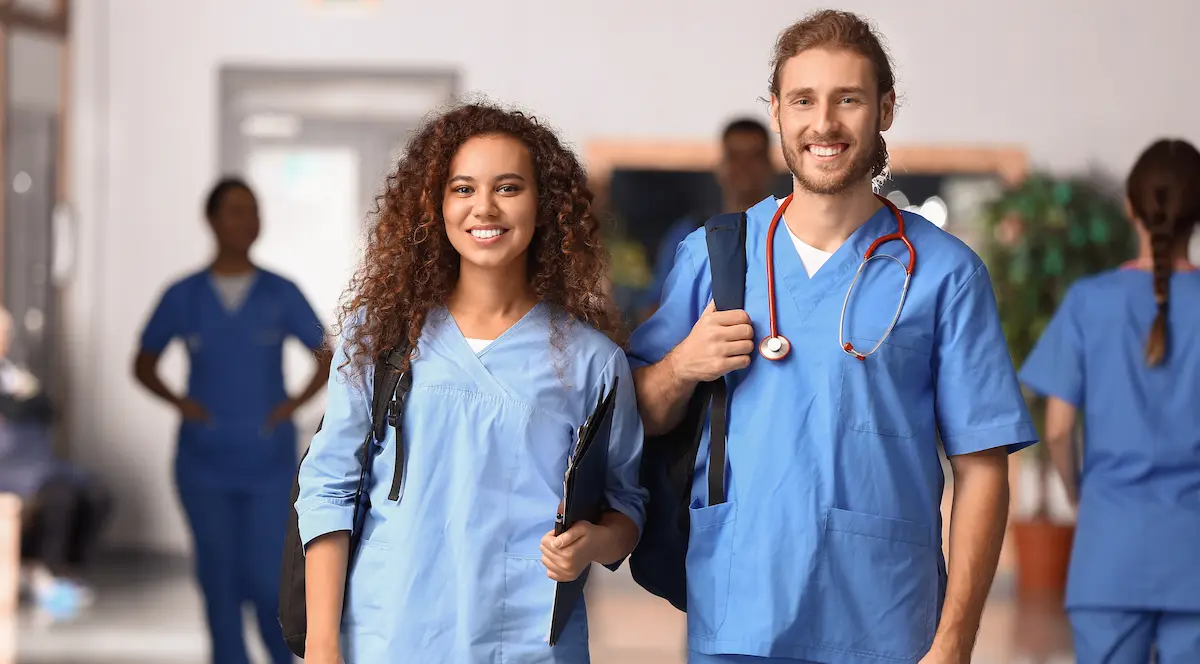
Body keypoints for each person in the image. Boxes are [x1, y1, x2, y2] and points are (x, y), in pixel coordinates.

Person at [628, 10, 1037, 664]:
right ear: (776, 112)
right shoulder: (714, 257)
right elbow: (639, 414)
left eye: (848, 99)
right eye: (803, 101)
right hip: (738, 615)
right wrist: (682, 365)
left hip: (886, 623)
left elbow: (982, 467)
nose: (824, 123)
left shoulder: (945, 274)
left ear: (885, 109)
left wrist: (955, 639)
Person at [296, 102, 648, 664]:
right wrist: (322, 646)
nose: (484, 207)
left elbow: (627, 505)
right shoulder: (382, 335)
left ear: (545, 205)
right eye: (462, 189)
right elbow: (329, 489)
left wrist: (594, 544)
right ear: (435, 206)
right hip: (388, 633)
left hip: (525, 641)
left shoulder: (591, 362)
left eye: (508, 187)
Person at [133, 177, 331, 664]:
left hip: (268, 462)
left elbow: (327, 354)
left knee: (267, 579)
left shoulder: (279, 292)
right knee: (218, 580)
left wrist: (290, 405)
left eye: (255, 211)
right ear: (213, 220)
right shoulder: (185, 295)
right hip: (203, 462)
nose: (249, 222)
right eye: (237, 211)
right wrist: (183, 404)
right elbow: (143, 361)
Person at [1017, 139, 1200, 664]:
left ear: (1130, 206)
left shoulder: (1088, 302)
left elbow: (1056, 430)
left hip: (1110, 547)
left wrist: (1082, 496)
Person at [0, 306, 111, 622]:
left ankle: (68, 573)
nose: (3, 340)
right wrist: (21, 405)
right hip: (8, 465)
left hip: (38, 461)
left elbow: (44, 406)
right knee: (60, 498)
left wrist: (23, 404)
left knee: (97, 495)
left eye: (6, 335)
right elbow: (20, 408)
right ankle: (40, 571)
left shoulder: (13, 372)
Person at [640, 118, 777, 319]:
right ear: (720, 167)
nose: (744, 166)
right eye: (735, 156)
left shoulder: (791, 230)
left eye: (754, 157)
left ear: (769, 166)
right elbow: (656, 308)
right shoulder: (690, 233)